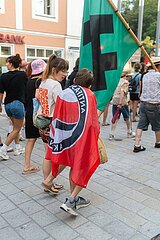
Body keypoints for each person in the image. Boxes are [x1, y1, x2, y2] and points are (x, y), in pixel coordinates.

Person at [45, 68, 100, 216]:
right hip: (82, 138)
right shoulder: (90, 95)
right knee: (82, 165)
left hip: (66, 136)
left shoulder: (64, 92)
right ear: (89, 84)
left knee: (72, 164)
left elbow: (58, 115)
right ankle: (71, 199)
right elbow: (92, 121)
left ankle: (70, 195)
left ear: (75, 80)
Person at [37, 54, 69, 194]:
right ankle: (49, 182)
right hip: (52, 123)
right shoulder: (56, 85)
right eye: (64, 71)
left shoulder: (43, 81)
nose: (65, 74)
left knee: (47, 155)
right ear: (55, 69)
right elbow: (62, 106)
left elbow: (38, 98)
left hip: (42, 121)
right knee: (55, 155)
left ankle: (48, 183)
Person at [0, 54, 28, 160]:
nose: (6, 64)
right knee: (17, 128)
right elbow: (26, 88)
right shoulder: (22, 75)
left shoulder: (3, 76)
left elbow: (1, 93)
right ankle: (3, 149)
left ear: (11, 64)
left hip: (7, 105)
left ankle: (17, 147)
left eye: (7, 62)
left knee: (14, 127)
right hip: (18, 103)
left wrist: (0, 104)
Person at [23, 59, 47, 174]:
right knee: (46, 142)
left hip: (29, 113)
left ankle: (26, 166)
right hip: (40, 115)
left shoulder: (28, 82)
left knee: (31, 140)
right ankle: (50, 171)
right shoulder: (40, 82)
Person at [133, 59, 160, 152]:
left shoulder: (145, 76)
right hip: (155, 105)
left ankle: (137, 144)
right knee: (157, 125)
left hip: (143, 104)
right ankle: (158, 142)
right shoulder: (159, 76)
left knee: (140, 125)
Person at [109, 71, 135, 140]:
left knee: (115, 117)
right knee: (127, 117)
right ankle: (129, 132)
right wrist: (120, 102)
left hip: (115, 101)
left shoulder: (115, 81)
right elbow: (122, 92)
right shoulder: (125, 82)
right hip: (122, 102)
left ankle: (111, 134)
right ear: (125, 76)